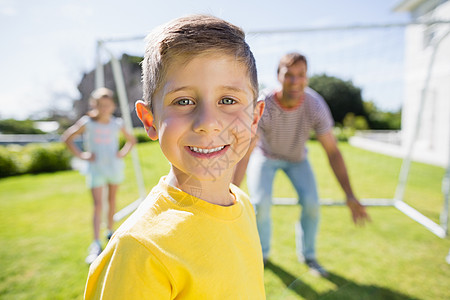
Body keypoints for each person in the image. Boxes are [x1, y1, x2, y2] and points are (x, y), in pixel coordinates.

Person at [84, 15, 266, 299]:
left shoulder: (242, 203)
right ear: (149, 120)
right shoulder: (140, 250)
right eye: (183, 101)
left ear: (255, 117)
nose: (208, 122)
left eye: (228, 100)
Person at [233, 52, 370, 277]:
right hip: (265, 156)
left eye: (301, 75)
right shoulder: (264, 104)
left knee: (312, 203)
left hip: (297, 160)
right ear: (278, 76)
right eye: (289, 75)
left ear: (306, 78)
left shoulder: (315, 105)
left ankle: (309, 256)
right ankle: (263, 255)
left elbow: (333, 152)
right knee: (261, 203)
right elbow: (246, 151)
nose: (295, 81)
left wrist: (350, 194)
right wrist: (232, 191)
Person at [62, 87, 136, 264]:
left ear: (112, 105)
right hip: (96, 169)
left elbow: (131, 140)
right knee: (97, 205)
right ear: (94, 105)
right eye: (100, 104)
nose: (104, 108)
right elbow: (67, 137)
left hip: (113, 168)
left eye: (107, 104)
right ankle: (95, 243)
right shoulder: (88, 122)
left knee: (111, 201)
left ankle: (110, 234)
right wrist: (82, 155)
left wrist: (122, 153)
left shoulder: (116, 123)